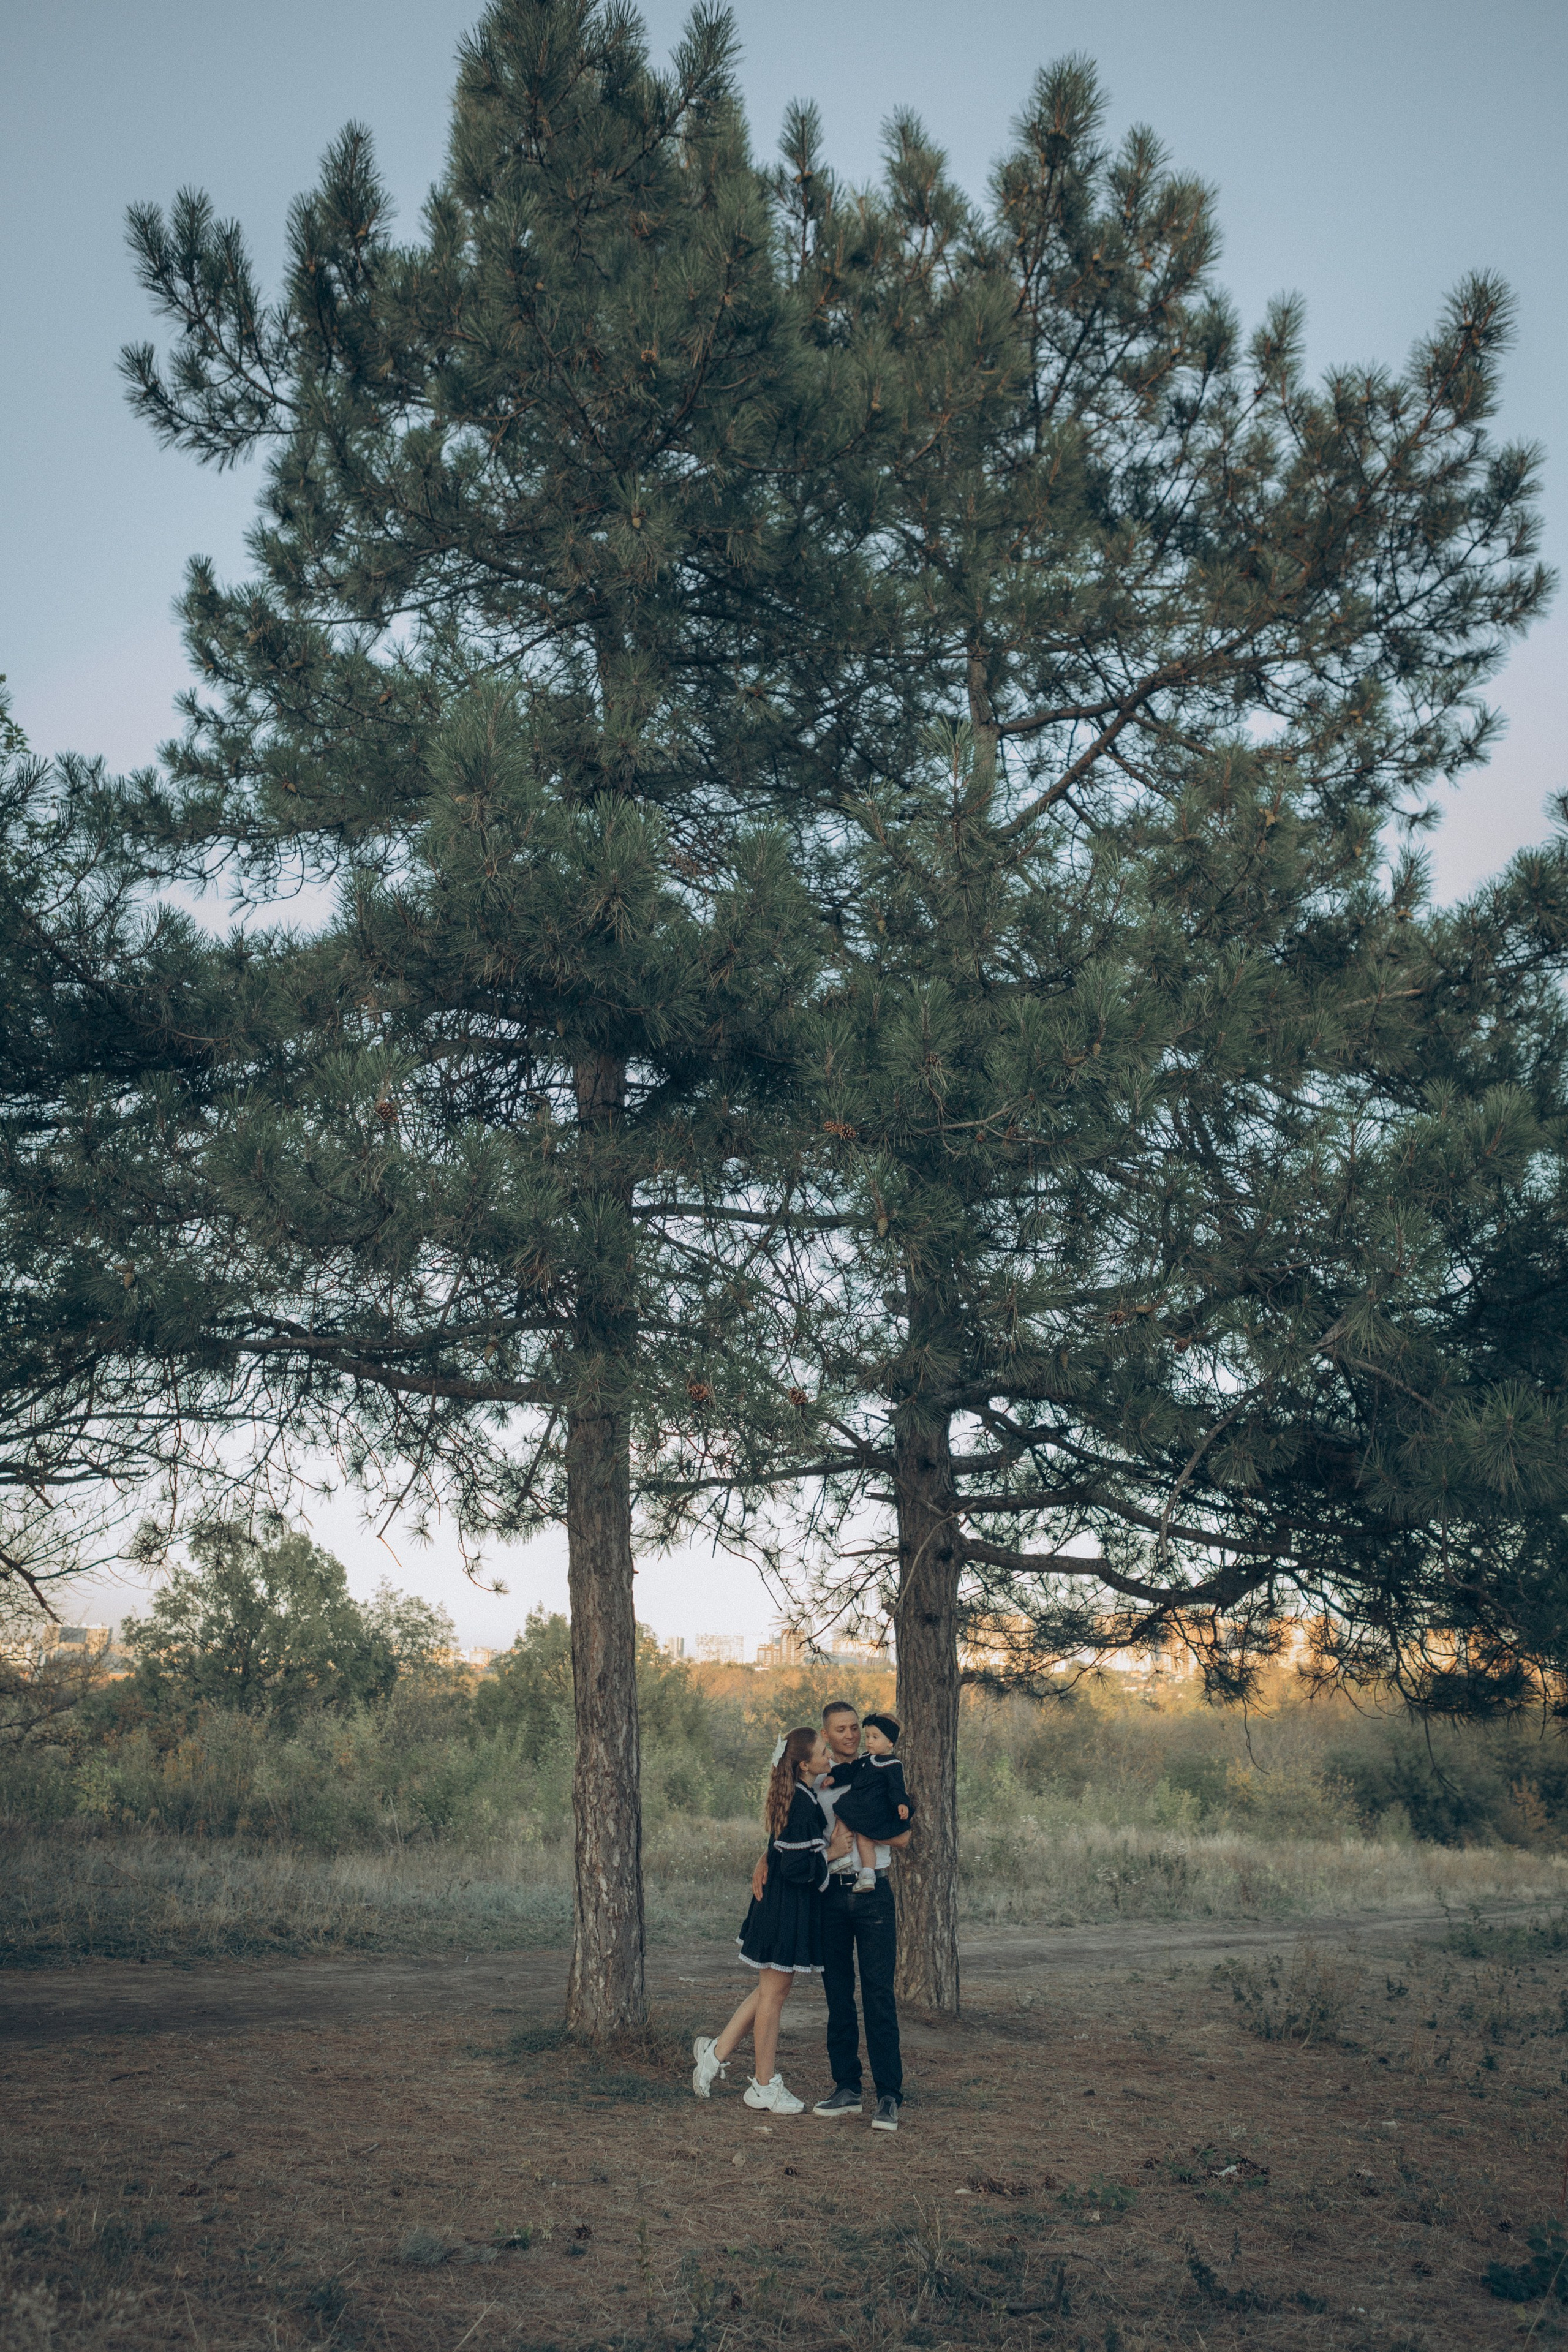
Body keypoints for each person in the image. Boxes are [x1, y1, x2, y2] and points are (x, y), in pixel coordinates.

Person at [751, 1699, 910, 2132]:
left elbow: (904, 1837)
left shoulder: (879, 1770)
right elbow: (791, 1830)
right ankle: (847, 2088)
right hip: (830, 1897)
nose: (851, 1735)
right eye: (841, 1730)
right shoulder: (816, 1780)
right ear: (826, 1735)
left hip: (873, 1895)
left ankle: (889, 2095)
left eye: (856, 1727)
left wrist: (858, 1822)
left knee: (878, 1995)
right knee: (838, 1996)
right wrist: (765, 1858)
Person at [691, 1727, 832, 2114]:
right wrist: (830, 1852)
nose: (830, 1757)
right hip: (784, 1910)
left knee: (770, 1990)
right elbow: (794, 1866)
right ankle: (764, 2087)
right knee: (774, 1995)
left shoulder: (798, 1793)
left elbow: (780, 1852)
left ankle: (715, 2053)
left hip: (780, 1906)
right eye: (823, 1752)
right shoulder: (801, 1803)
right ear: (805, 1765)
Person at [827, 1711, 910, 1893]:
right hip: (860, 1806)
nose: (869, 1741)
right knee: (850, 1822)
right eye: (868, 1737)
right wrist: (834, 1777)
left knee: (850, 1820)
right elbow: (850, 1770)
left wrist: (901, 1804)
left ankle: (860, 1869)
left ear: (890, 1743)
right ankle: (857, 1867)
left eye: (875, 1737)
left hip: (874, 1809)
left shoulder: (893, 1764)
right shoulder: (866, 1758)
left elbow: (897, 1788)